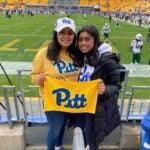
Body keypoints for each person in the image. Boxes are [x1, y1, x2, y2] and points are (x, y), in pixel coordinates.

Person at [30, 17, 81, 150]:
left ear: (74, 35)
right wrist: (38, 79)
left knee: (63, 125)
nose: (66, 36)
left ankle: (58, 146)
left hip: (71, 100)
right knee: (54, 129)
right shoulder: (44, 53)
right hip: (52, 101)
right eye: (61, 32)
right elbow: (33, 76)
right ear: (56, 34)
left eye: (69, 33)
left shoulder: (77, 53)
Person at [73, 25, 121, 150]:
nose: (83, 43)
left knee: (91, 141)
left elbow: (116, 86)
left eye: (87, 39)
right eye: (80, 39)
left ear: (95, 39)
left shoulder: (107, 60)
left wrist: (105, 90)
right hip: (80, 106)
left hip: (96, 109)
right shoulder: (81, 56)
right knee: (79, 134)